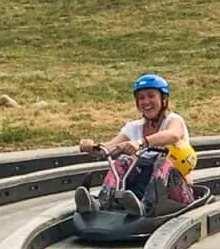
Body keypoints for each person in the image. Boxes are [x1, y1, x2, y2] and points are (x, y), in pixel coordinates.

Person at [75, 73, 196, 218]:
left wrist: (141, 143)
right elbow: (111, 148)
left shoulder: (173, 120)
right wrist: (92, 148)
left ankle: (147, 206)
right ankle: (102, 202)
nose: (146, 102)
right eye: (141, 98)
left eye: (151, 96)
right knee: (123, 161)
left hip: (175, 193)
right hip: (141, 190)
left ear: (163, 99)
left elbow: (173, 135)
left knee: (162, 161)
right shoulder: (134, 127)